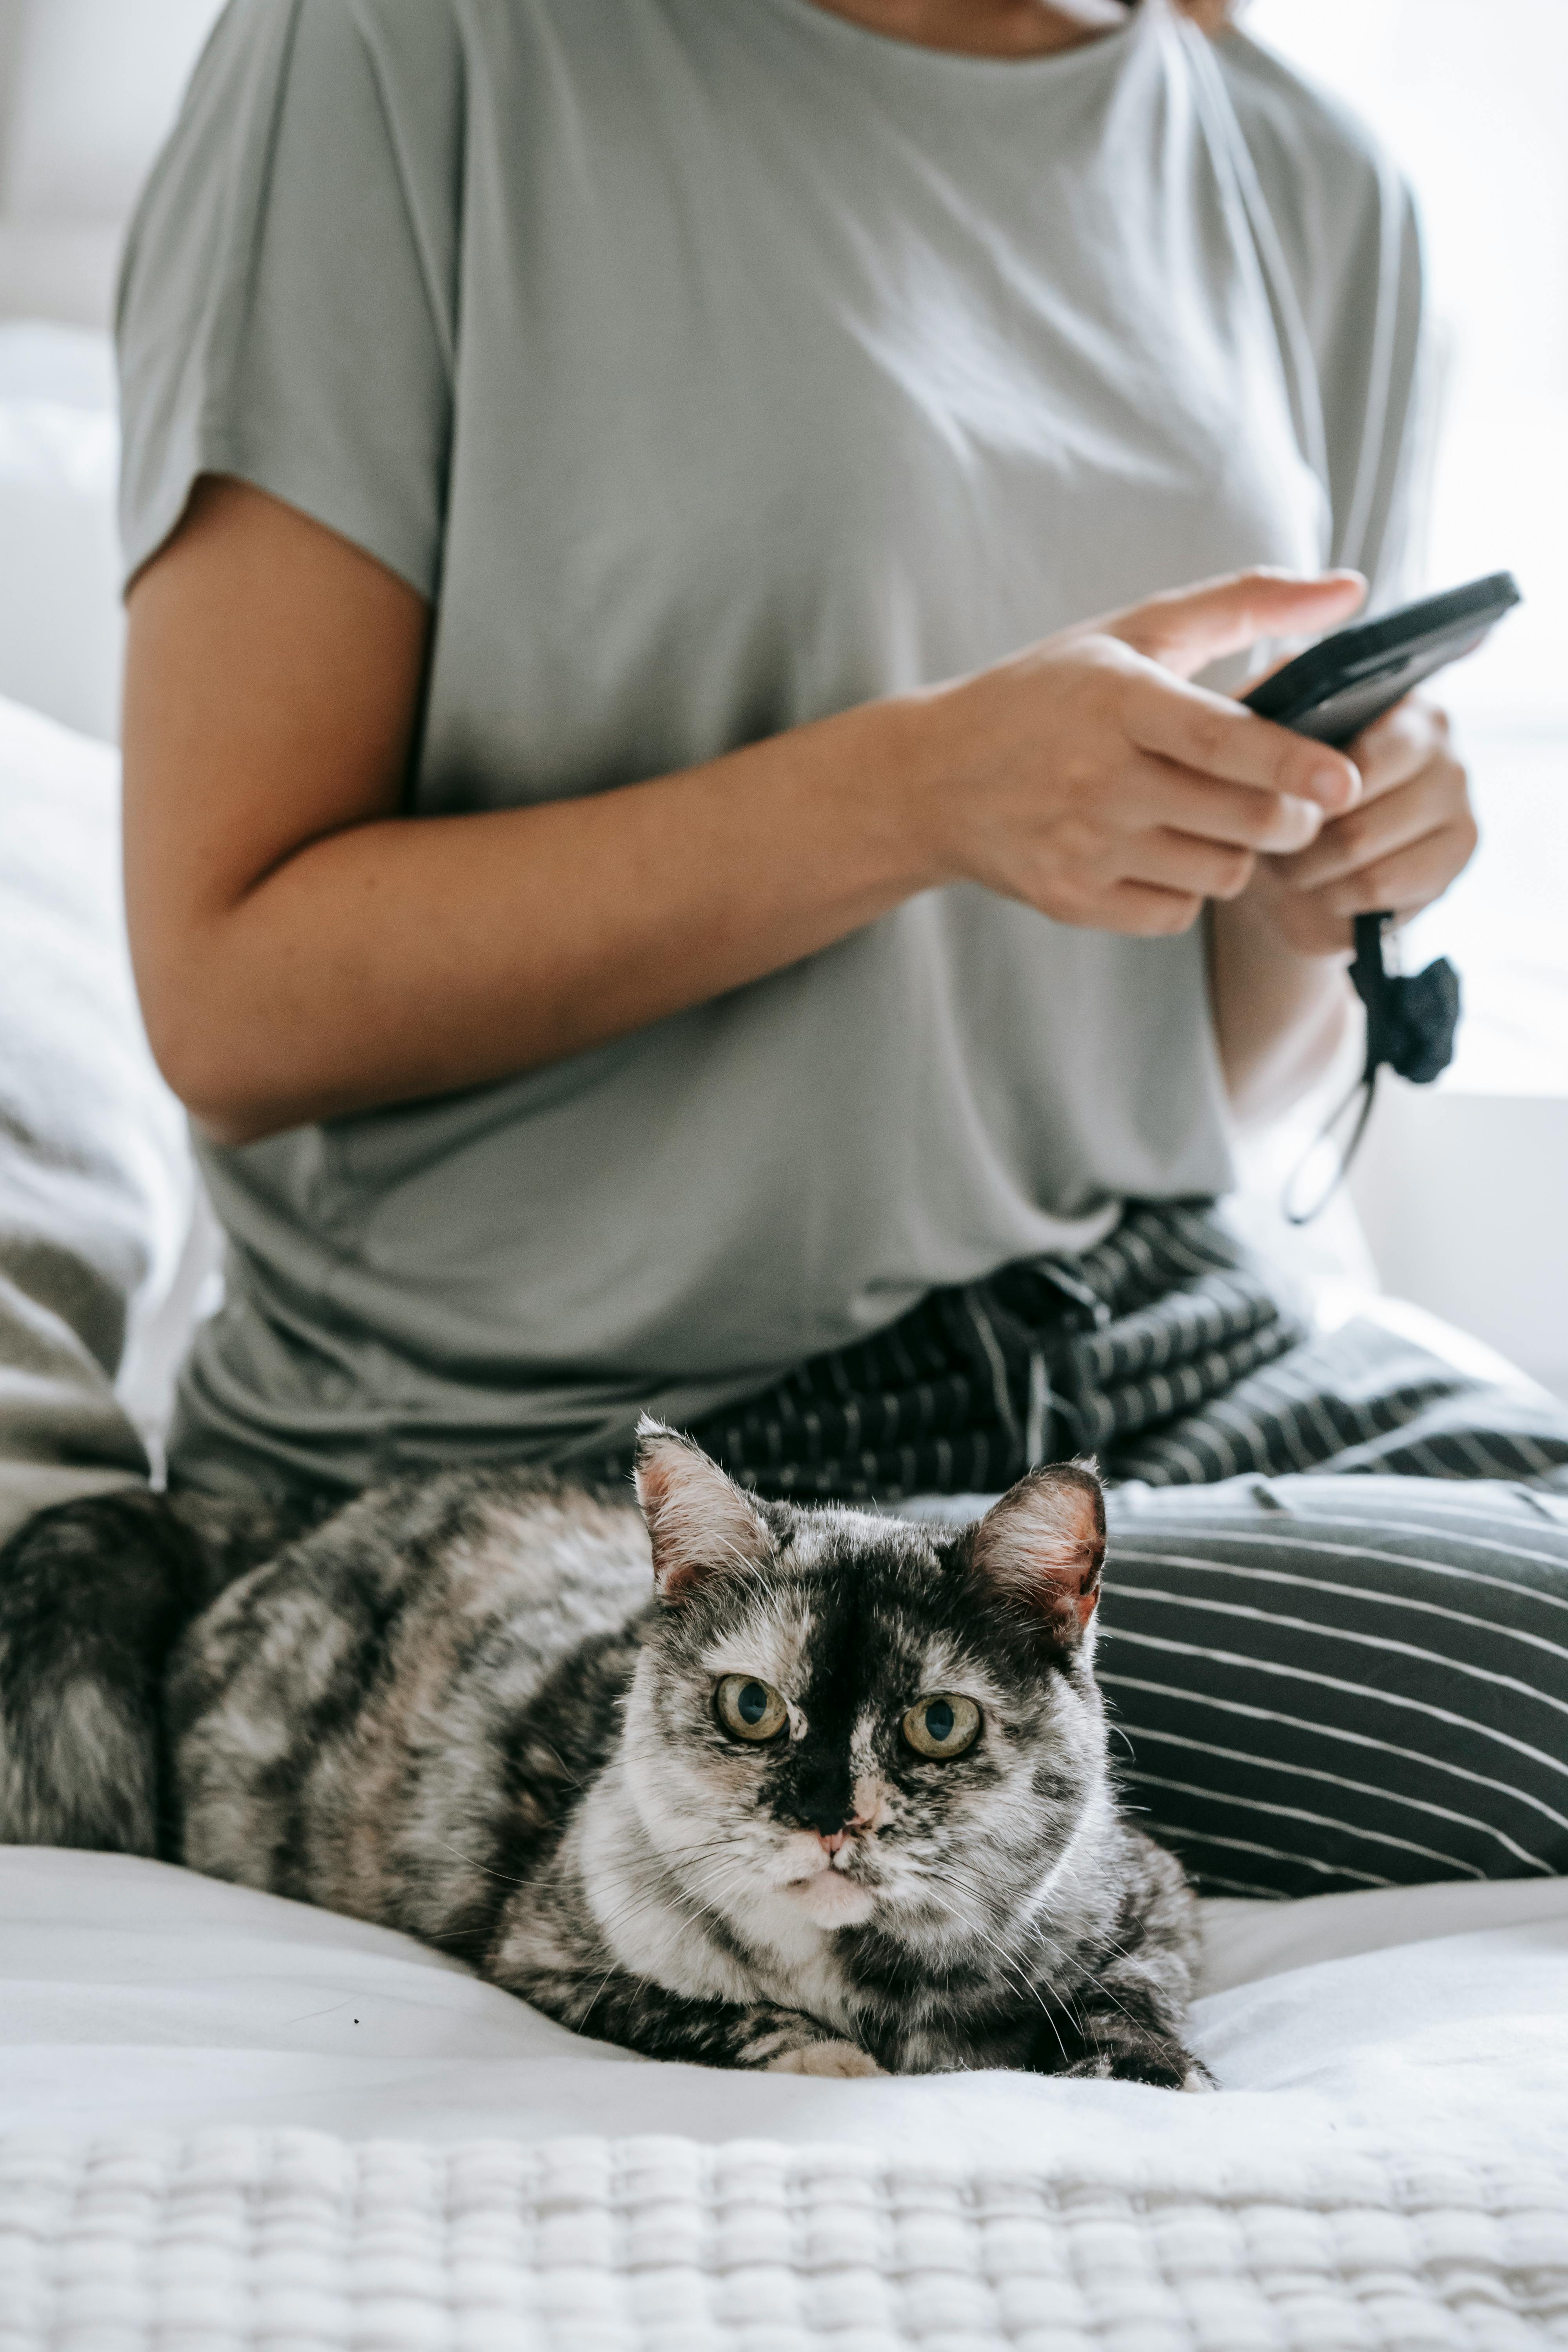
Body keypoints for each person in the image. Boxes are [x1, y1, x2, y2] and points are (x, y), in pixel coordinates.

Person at [94, 0, 1568, 1895]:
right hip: (611, 1480)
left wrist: (1317, 873)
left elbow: (1212, 1082)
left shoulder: (1306, 175)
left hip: (1159, 1364)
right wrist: (910, 797)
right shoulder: (400, 52)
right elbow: (231, 987)